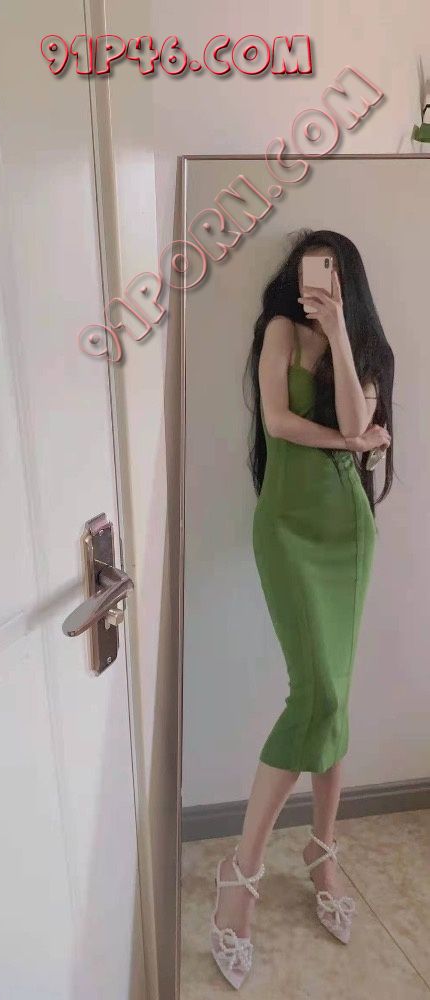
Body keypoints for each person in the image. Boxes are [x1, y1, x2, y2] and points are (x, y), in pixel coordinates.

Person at [210, 229, 394, 989]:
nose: (318, 280)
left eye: (332, 272)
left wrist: (342, 334)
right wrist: (352, 443)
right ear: (295, 275)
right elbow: (281, 423)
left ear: (349, 282)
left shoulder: (368, 349)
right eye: (311, 268)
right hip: (287, 526)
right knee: (315, 691)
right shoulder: (280, 330)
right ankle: (241, 873)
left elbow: (355, 419)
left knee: (334, 695)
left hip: (347, 530)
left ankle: (322, 853)